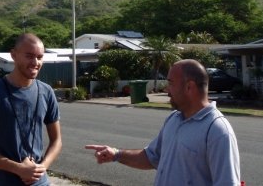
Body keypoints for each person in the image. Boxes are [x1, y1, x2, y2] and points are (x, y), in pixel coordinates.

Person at [85, 59, 240, 186]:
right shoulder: (174, 119)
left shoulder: (217, 130)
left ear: (189, 87)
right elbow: (151, 157)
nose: (167, 90)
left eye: (171, 83)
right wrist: (116, 154)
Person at [0, 33, 62, 185]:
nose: (35, 62)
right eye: (29, 56)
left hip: (40, 181)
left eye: (40, 57)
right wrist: (18, 169)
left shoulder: (46, 92)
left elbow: (57, 140)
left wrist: (41, 168)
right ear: (13, 55)